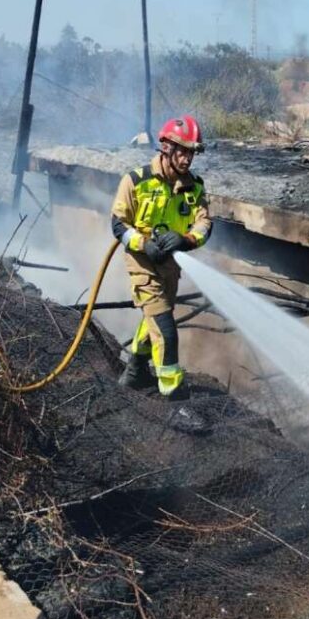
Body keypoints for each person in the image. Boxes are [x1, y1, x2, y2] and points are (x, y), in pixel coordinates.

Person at [110, 115, 212, 431]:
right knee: (166, 329)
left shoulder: (194, 186)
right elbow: (118, 225)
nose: (187, 158)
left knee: (155, 318)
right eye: (182, 151)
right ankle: (175, 401)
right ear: (166, 147)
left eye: (191, 152)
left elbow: (205, 224)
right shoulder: (135, 181)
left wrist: (186, 239)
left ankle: (136, 370)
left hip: (170, 264)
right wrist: (143, 243)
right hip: (142, 264)